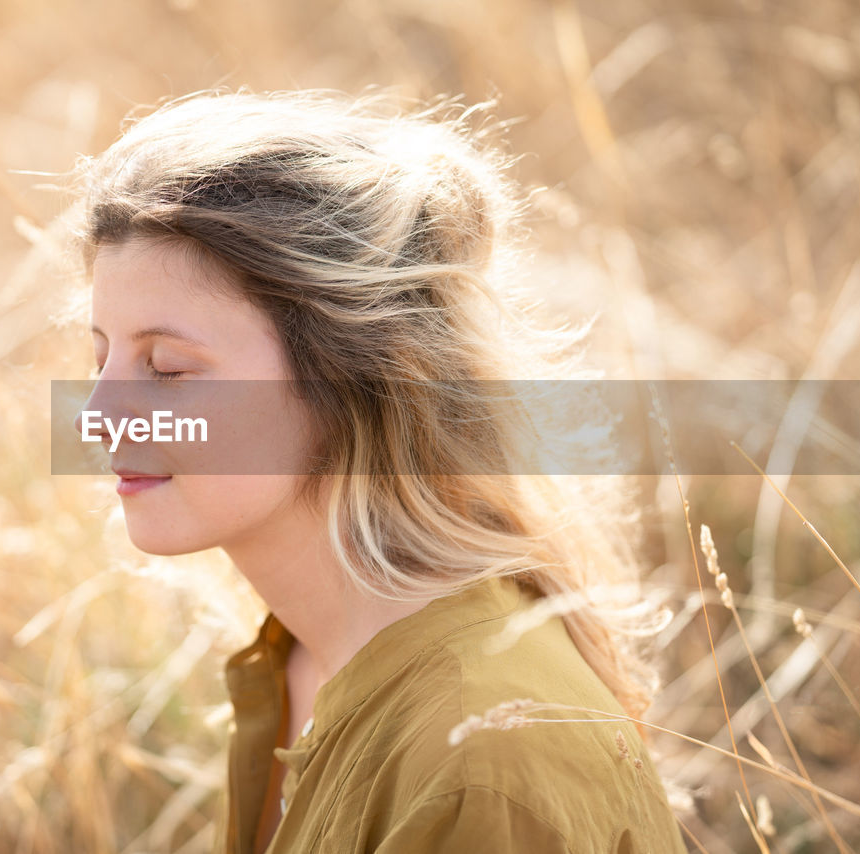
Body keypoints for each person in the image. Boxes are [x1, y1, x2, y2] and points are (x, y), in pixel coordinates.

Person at [70, 89, 688, 853]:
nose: (95, 416)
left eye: (166, 369)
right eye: (101, 358)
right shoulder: (300, 661)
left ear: (353, 379)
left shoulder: (480, 758)